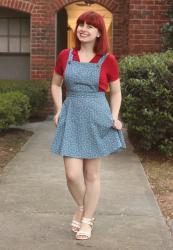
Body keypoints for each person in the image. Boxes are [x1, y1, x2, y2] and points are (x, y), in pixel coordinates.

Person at [50, 10, 126, 240]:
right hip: (72, 115)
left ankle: (87, 220)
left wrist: (114, 116)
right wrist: (59, 109)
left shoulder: (108, 60)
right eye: (80, 24)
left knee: (91, 174)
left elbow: (116, 92)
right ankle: (83, 207)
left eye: (90, 26)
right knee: (72, 175)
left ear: (99, 33)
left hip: (97, 117)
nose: (83, 28)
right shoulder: (66, 55)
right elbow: (55, 85)